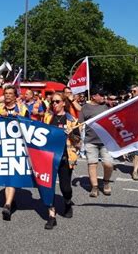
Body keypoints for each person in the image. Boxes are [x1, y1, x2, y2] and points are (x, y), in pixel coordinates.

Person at [43, 92, 81, 229]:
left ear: (64, 103)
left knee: (65, 188)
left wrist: (70, 134)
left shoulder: (72, 120)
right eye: (52, 102)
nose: (54, 104)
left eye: (57, 101)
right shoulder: (47, 118)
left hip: (65, 158)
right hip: (49, 158)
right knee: (48, 186)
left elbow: (78, 143)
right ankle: (51, 216)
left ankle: (67, 201)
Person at [0, 85, 28, 221]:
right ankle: (10, 200)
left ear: (15, 96)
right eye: (6, 93)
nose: (8, 95)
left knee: (12, 174)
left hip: (17, 146)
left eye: (11, 93)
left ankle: (7, 204)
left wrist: (19, 117)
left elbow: (29, 125)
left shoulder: (22, 109)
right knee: (6, 175)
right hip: (2, 146)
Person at [79, 88, 113, 197]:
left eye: (104, 95)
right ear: (93, 96)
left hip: (105, 141)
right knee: (92, 164)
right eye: (101, 95)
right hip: (90, 141)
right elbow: (80, 124)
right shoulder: (85, 108)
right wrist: (80, 139)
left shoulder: (106, 106)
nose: (103, 97)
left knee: (108, 163)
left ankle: (106, 182)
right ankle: (94, 187)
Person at [129, 85, 138, 181]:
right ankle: (137, 164)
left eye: (134, 91)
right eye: (131, 91)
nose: (132, 93)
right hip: (130, 129)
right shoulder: (128, 102)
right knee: (133, 151)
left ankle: (134, 171)